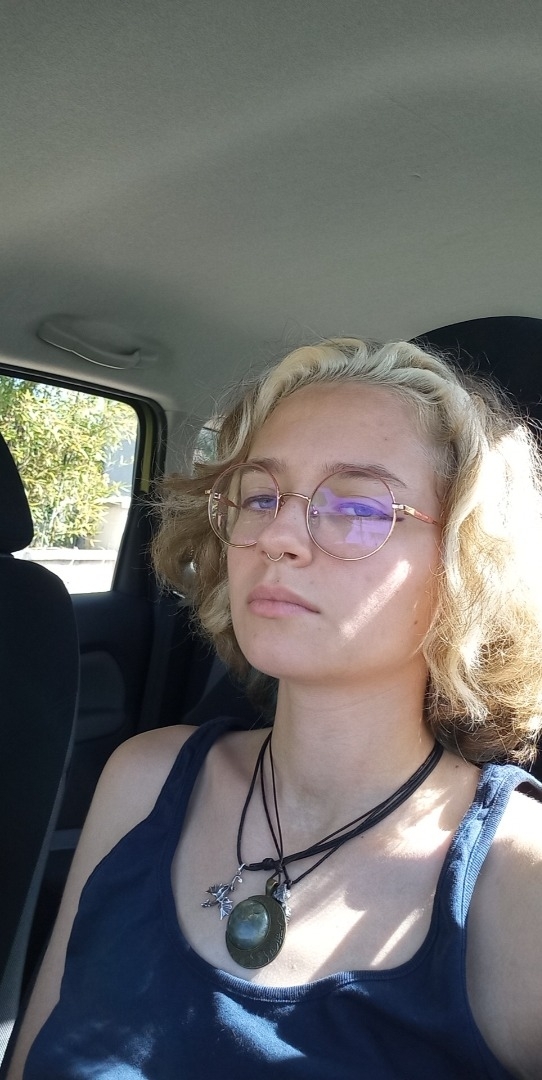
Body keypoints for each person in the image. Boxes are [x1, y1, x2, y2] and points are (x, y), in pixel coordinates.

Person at [8, 338, 542, 1079]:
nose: (278, 536)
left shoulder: (519, 881)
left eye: (356, 506)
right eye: (260, 496)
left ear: (465, 564)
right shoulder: (144, 779)